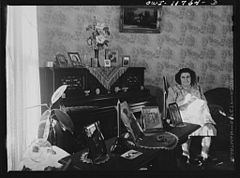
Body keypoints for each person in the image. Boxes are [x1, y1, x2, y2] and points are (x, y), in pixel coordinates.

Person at [166, 68, 217, 167]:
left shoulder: (197, 88)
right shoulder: (173, 89)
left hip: (199, 115)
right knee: (186, 130)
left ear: (191, 78)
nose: (186, 79)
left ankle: (204, 156)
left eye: (188, 77)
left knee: (208, 128)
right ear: (179, 79)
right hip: (183, 115)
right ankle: (186, 155)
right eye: (183, 77)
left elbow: (204, 102)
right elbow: (170, 105)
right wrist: (184, 103)